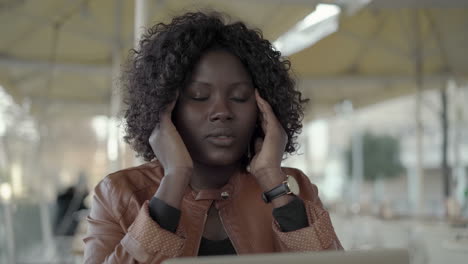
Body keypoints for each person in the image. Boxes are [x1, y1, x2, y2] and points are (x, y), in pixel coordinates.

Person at [84, 11, 342, 263]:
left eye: (240, 97)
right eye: (198, 96)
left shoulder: (293, 186)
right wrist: (174, 179)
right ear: (165, 109)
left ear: (264, 111)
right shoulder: (119, 193)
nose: (222, 112)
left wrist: (274, 184)